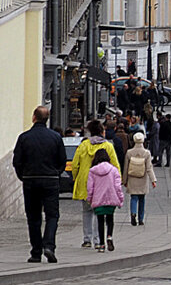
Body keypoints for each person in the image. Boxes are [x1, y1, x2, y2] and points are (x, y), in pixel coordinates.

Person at [13, 106, 66, 263]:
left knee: (33, 217)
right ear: (47, 119)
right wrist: (55, 173)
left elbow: (17, 161)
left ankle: (36, 252)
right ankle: (49, 245)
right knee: (52, 215)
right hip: (50, 180)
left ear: (34, 117)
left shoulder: (24, 137)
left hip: (30, 180)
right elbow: (62, 161)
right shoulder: (56, 137)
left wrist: (23, 176)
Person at [71, 120, 119, 249]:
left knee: (86, 212)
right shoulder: (108, 146)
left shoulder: (84, 145)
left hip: (85, 182)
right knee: (100, 213)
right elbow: (115, 165)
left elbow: (75, 165)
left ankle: (87, 239)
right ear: (102, 131)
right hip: (103, 185)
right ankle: (99, 240)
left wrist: (76, 178)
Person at [86, 149, 123, 252]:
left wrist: (90, 199)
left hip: (98, 199)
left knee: (100, 221)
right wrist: (120, 199)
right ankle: (109, 236)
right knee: (110, 219)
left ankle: (101, 244)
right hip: (111, 198)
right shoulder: (114, 170)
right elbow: (118, 187)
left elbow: (90, 188)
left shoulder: (92, 171)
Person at [122, 132, 157, 226]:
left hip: (132, 178)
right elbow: (149, 168)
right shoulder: (146, 153)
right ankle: (141, 219)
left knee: (133, 197)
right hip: (143, 178)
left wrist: (124, 180)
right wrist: (153, 180)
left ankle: (133, 213)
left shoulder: (129, 152)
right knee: (142, 199)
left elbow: (126, 167)